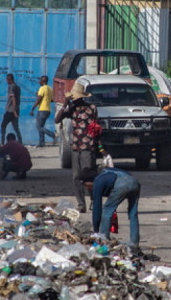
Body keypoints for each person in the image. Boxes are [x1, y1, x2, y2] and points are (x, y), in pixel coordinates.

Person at [56, 81, 99, 212]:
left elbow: (96, 127)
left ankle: (93, 200)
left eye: (75, 98)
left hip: (88, 147)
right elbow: (57, 120)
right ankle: (81, 204)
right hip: (75, 147)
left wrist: (99, 147)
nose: (74, 100)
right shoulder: (72, 109)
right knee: (76, 177)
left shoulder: (91, 108)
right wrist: (64, 104)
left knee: (89, 176)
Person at [81, 166, 142, 255]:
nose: (87, 188)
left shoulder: (98, 181)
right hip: (134, 182)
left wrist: (96, 231)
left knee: (107, 211)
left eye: (86, 185)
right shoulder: (106, 172)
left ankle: (104, 241)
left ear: (91, 181)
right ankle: (134, 243)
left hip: (122, 185)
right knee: (133, 213)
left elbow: (97, 208)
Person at [29, 75, 57, 147]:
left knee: (39, 127)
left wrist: (33, 108)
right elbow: (52, 100)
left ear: (43, 81)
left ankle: (53, 135)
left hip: (42, 109)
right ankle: (41, 143)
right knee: (41, 126)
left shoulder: (42, 88)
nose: (39, 81)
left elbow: (39, 99)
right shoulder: (50, 88)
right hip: (47, 110)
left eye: (40, 80)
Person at [0, 73, 22, 143]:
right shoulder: (17, 87)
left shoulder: (11, 87)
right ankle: (20, 142)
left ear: (9, 79)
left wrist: (14, 110)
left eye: (7, 79)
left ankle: (2, 142)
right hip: (16, 110)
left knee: (3, 125)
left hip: (10, 110)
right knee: (16, 128)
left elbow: (13, 98)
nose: (6, 81)